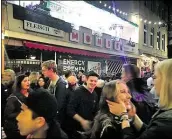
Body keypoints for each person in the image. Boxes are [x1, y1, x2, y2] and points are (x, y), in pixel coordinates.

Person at [107, 59, 172, 139]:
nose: (153, 83)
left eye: (154, 77)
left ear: (166, 81)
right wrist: (134, 117)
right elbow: (151, 132)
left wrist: (124, 117)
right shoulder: (146, 92)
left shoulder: (166, 121)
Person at [66, 71, 99, 138]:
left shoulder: (94, 94)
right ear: (86, 80)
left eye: (95, 81)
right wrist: (82, 121)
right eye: (91, 80)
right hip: (77, 131)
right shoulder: (78, 92)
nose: (93, 83)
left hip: (89, 130)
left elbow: (95, 110)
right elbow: (70, 110)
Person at [4, 74, 32, 139]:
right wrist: (21, 112)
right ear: (19, 83)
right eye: (25, 81)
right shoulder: (13, 97)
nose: (28, 82)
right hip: (16, 129)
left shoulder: (32, 94)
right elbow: (7, 115)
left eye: (28, 80)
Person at [41, 60, 68, 124]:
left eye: (44, 70)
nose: (42, 72)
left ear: (51, 70)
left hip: (56, 119)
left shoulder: (61, 84)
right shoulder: (49, 81)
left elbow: (59, 105)